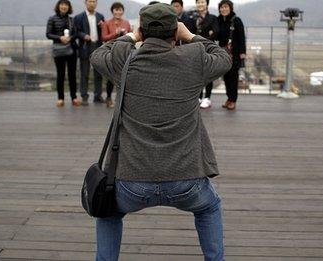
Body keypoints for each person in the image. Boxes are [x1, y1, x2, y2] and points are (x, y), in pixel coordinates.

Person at [90, 3, 232, 260]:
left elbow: (99, 54)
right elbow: (224, 59)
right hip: (187, 181)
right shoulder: (193, 58)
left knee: (108, 213)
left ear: (143, 31)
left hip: (130, 183)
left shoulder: (125, 62)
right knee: (209, 207)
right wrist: (190, 36)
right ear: (175, 31)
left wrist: (131, 36)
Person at [46, 0, 80, 107]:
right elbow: (48, 34)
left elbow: (76, 33)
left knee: (72, 75)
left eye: (66, 5)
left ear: (69, 7)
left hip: (71, 50)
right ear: (58, 6)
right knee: (60, 75)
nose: (64, 6)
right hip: (59, 49)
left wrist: (70, 38)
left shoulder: (72, 19)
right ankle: (60, 98)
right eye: (62, 4)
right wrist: (60, 38)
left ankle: (74, 97)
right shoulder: (52, 19)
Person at [101, 2, 131, 108]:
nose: (118, 12)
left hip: (123, 52)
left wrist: (126, 33)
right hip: (110, 51)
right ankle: (108, 97)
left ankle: (121, 99)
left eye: (120, 10)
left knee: (123, 76)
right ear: (112, 11)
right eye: (116, 10)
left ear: (122, 11)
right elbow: (104, 38)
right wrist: (116, 33)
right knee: (111, 76)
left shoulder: (126, 23)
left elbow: (131, 36)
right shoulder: (107, 23)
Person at [74, 0, 105, 105]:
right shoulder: (79, 17)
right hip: (85, 47)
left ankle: (98, 95)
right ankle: (84, 96)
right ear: (85, 3)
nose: (92, 3)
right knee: (84, 73)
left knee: (98, 73)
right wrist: (83, 35)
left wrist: (102, 27)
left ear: (96, 3)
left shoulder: (100, 16)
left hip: (98, 46)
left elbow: (104, 32)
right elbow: (76, 32)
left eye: (94, 1)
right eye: (90, 1)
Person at [190, 0, 219, 109]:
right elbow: (189, 31)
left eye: (202, 2)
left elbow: (216, 32)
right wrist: (208, 33)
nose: (200, 4)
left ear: (207, 4)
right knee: (196, 73)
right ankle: (198, 97)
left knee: (208, 72)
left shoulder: (212, 18)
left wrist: (202, 37)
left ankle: (207, 98)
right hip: (194, 48)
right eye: (198, 2)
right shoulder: (192, 17)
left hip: (207, 48)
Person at [217, 0, 246, 111]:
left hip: (234, 55)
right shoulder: (219, 21)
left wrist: (242, 53)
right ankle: (229, 98)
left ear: (230, 8)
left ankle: (233, 100)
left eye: (226, 7)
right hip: (223, 54)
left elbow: (242, 38)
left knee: (233, 79)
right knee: (226, 78)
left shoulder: (237, 20)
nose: (224, 9)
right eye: (222, 7)